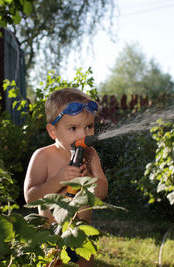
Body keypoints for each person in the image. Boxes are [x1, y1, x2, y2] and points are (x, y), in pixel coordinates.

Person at [24, 87, 108, 267]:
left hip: (80, 232)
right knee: (51, 263)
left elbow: (103, 192)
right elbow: (31, 197)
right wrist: (59, 180)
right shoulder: (43, 157)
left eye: (89, 126)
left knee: (86, 262)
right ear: (53, 131)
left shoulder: (90, 154)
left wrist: (90, 182)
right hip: (51, 234)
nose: (83, 135)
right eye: (73, 128)